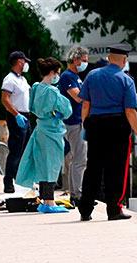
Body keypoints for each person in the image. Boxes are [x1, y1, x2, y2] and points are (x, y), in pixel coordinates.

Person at [77, 44, 137, 221]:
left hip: (95, 124)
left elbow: (85, 104)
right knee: (116, 169)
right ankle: (114, 209)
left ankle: (85, 208)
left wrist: (86, 125)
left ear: (109, 58)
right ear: (124, 60)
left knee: (93, 167)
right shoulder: (126, 80)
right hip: (117, 126)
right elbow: (130, 111)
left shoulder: (92, 75)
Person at [16, 57, 72, 213]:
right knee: (52, 167)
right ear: (53, 72)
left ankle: (44, 200)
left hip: (40, 128)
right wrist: (56, 113)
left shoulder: (35, 87)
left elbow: (31, 107)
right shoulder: (52, 91)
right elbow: (67, 110)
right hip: (52, 131)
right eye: (58, 73)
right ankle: (50, 203)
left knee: (42, 165)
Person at [58, 46, 89, 206]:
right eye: (84, 60)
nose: (85, 64)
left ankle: (74, 192)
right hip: (74, 122)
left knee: (75, 158)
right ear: (75, 60)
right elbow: (78, 97)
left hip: (77, 121)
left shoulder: (75, 76)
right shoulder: (68, 77)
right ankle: (78, 194)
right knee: (80, 159)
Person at [1, 51, 33, 193]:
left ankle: (21, 178)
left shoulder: (22, 79)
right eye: (24, 61)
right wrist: (17, 115)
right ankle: (8, 181)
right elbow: (5, 99)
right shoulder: (10, 79)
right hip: (16, 116)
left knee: (26, 149)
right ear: (19, 62)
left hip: (25, 115)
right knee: (15, 150)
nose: (26, 64)